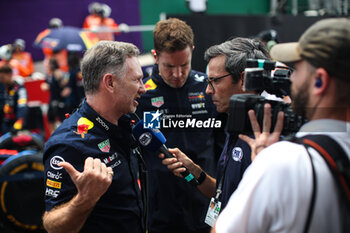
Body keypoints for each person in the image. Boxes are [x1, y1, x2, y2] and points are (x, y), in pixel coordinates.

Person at [213, 17, 350, 233]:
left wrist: (260, 167)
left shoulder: (284, 162)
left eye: (297, 69)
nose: (291, 79)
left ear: (320, 82)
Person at [160, 37, 270, 220]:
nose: (208, 90)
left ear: (244, 79)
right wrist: (195, 172)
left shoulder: (269, 138)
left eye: (215, 81)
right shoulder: (236, 124)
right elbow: (223, 193)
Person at [42, 41, 147, 233]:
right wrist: (86, 198)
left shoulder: (124, 123)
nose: (143, 88)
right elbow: (52, 226)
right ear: (110, 82)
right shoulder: (68, 144)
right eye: (137, 80)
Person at [135, 17, 224, 233]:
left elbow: (223, 147)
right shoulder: (141, 95)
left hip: (206, 200)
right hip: (161, 210)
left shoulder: (209, 88)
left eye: (184, 65)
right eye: (169, 66)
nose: (177, 74)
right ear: (155, 56)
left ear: (192, 50)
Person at [0, 65, 28, 134]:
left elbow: (22, 106)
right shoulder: (2, 88)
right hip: (4, 123)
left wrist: (18, 123)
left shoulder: (19, 89)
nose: (1, 80)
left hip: (16, 124)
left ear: (10, 75)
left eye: (2, 78)